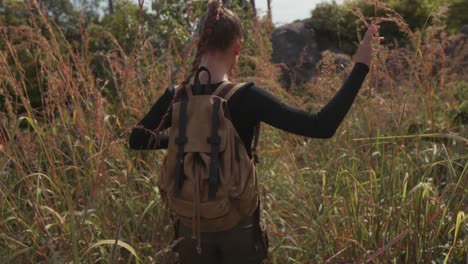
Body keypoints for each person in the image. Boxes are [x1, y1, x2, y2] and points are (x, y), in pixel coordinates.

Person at [129, 1, 381, 263]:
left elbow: (137, 139)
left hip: (189, 230)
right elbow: (321, 125)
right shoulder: (246, 97)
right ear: (238, 45)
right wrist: (361, 65)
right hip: (238, 229)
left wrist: (187, 141)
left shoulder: (176, 95)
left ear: (197, 42)